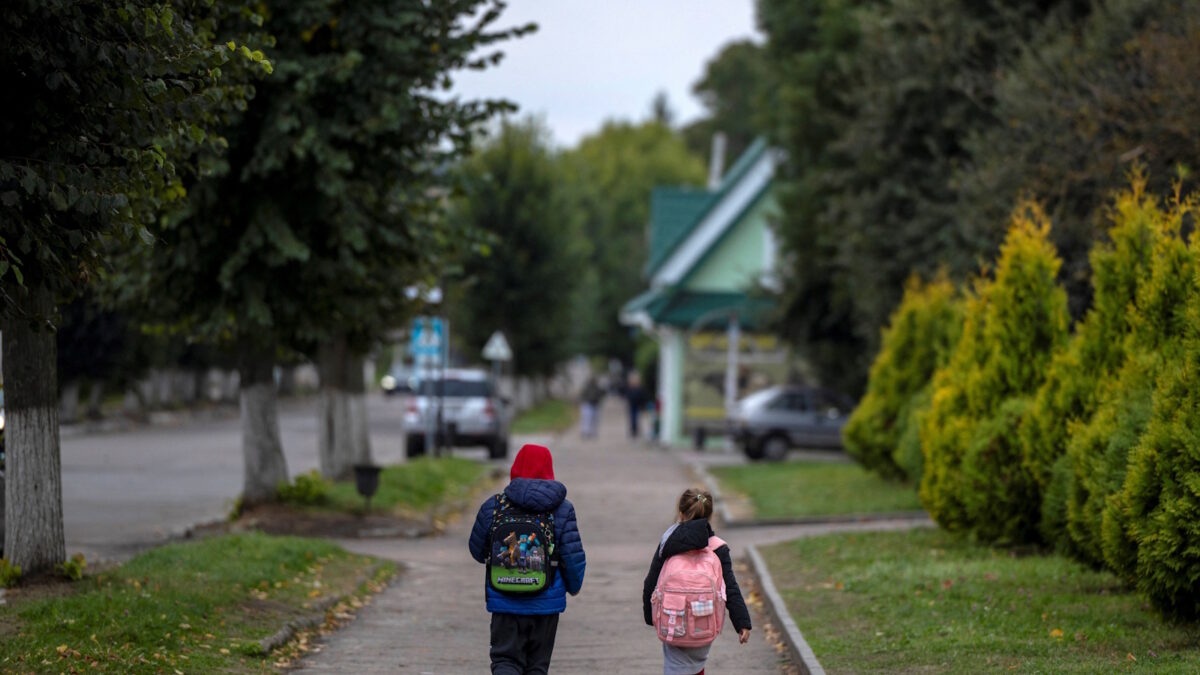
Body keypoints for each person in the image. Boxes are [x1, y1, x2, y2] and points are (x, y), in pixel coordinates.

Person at [469, 444, 587, 674]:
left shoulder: (494, 506)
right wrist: (573, 587)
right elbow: (573, 556)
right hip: (546, 604)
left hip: (504, 601)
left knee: (505, 660)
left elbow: (476, 550)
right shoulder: (562, 509)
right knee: (537, 666)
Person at [643, 488, 751, 675]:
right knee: (696, 665)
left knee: (675, 666)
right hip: (704, 620)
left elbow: (650, 582)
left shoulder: (668, 543)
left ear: (681, 513)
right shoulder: (718, 547)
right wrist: (742, 623)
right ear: (709, 517)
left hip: (672, 619)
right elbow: (731, 588)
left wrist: (650, 616)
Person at [625, 372, 647, 438]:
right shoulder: (630, 387)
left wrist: (642, 404)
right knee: (632, 418)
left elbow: (642, 396)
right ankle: (633, 430)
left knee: (636, 418)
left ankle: (635, 430)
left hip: (637, 405)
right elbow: (627, 395)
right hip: (632, 405)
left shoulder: (639, 388)